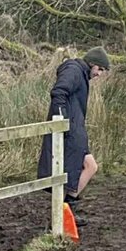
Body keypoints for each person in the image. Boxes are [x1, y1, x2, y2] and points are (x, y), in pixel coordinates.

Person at [37, 46, 110, 226]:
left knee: (90, 166)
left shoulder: (81, 74)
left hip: (75, 133)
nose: (99, 74)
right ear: (91, 63)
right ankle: (59, 220)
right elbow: (58, 93)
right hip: (68, 133)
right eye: (99, 69)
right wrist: (62, 123)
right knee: (65, 177)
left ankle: (67, 210)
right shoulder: (73, 70)